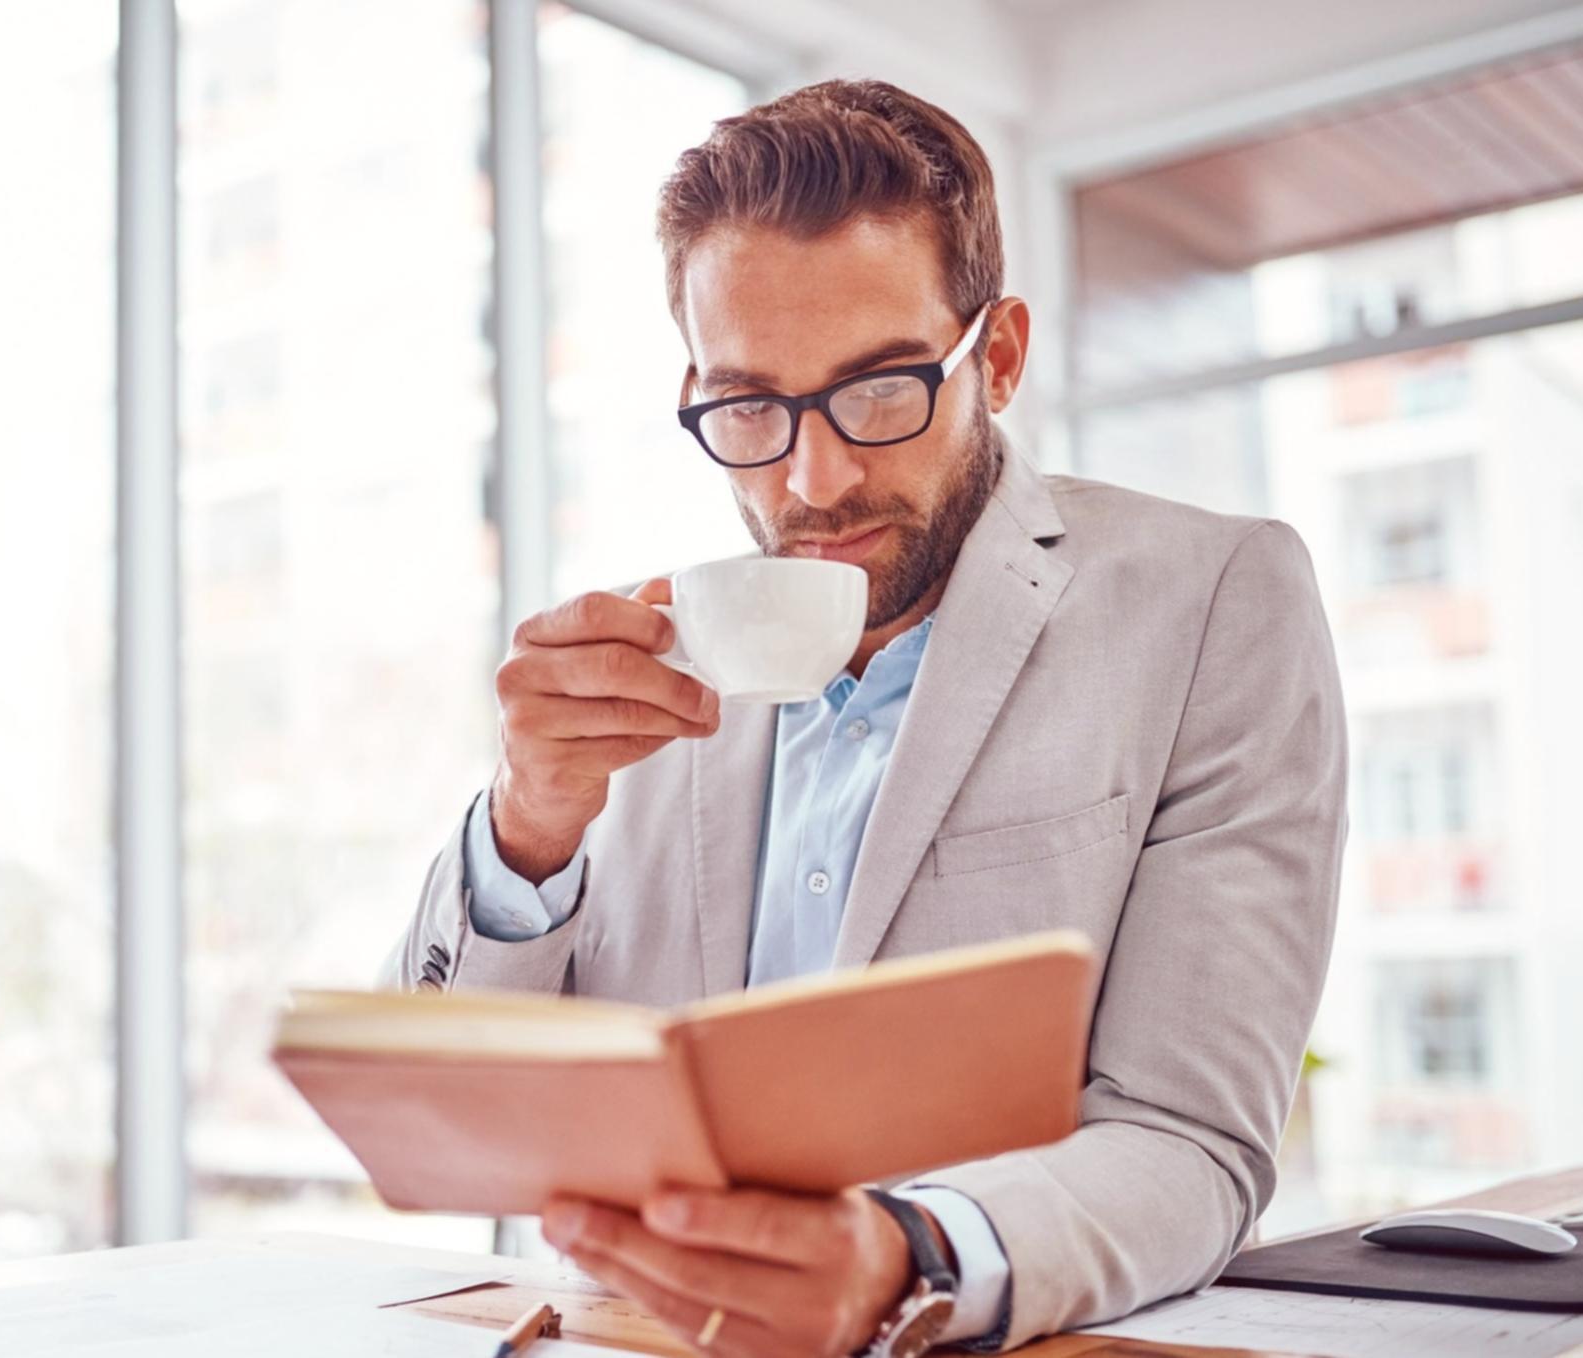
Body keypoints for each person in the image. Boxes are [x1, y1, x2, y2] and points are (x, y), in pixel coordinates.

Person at [380, 77, 1347, 1357]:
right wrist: (529, 824)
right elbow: (449, 1109)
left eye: (881, 389)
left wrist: (907, 1254)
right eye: (750, 406)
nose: (813, 477)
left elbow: (1192, 1141)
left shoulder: (1212, 601)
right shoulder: (637, 669)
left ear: (997, 356)